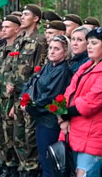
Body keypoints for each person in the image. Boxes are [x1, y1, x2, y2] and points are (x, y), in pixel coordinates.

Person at [58, 28, 102, 177]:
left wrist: (64, 113)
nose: (89, 46)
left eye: (94, 43)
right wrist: (62, 117)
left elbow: (91, 101)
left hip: (95, 133)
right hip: (77, 130)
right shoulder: (86, 66)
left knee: (85, 173)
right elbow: (69, 92)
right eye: (88, 42)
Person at [3, 5, 47, 176]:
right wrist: (10, 82)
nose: (22, 17)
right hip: (15, 93)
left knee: (30, 134)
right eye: (21, 14)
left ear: (36, 19)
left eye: (26, 15)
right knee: (18, 134)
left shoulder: (40, 40)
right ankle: (22, 166)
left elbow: (39, 70)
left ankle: (32, 168)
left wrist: (28, 94)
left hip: (29, 95)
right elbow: (13, 66)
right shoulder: (20, 38)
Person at [22, 35, 73, 177]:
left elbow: (50, 97)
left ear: (65, 52)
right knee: (44, 158)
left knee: (50, 160)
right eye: (50, 48)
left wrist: (30, 107)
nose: (51, 51)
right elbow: (31, 82)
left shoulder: (63, 71)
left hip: (50, 120)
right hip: (40, 118)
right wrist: (24, 99)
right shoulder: (48, 66)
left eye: (56, 49)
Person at [0, 15, 23, 177]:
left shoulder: (19, 49)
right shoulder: (0, 49)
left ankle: (12, 164)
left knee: (10, 133)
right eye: (2, 27)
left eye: (7, 27)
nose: (3, 30)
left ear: (17, 29)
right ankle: (2, 161)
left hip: (11, 98)